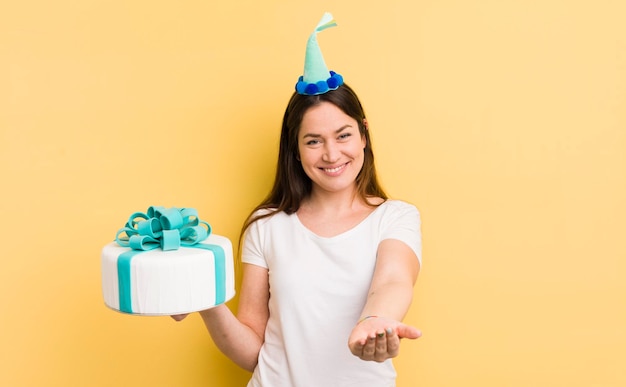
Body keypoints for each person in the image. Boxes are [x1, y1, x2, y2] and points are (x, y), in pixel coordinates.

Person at [173, 13, 422, 387]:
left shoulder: (396, 217)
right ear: (295, 148)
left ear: (364, 135)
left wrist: (374, 321)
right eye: (313, 141)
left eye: (343, 135)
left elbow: (393, 280)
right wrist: (207, 301)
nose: (331, 154)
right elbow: (252, 352)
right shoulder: (266, 225)